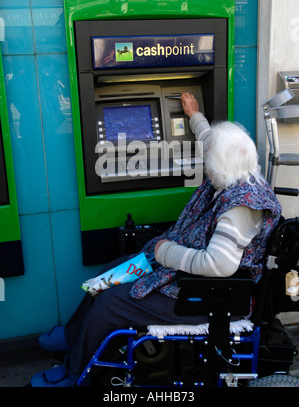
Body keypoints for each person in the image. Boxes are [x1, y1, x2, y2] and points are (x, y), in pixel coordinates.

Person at [30, 92, 282, 387]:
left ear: (219, 165)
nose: (205, 163)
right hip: (191, 279)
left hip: (208, 294)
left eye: (208, 160)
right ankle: (75, 335)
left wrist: (166, 253)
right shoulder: (242, 169)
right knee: (111, 271)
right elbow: (210, 141)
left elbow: (219, 265)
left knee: (111, 302)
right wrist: (193, 115)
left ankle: (75, 373)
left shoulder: (242, 207)